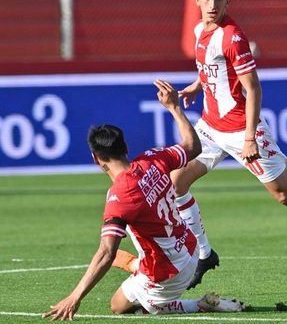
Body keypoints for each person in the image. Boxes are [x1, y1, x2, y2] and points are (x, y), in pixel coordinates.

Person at [110, 0, 287, 288]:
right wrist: (195, 87)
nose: (213, 4)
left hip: (242, 129)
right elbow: (211, 69)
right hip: (211, 128)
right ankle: (203, 254)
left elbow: (252, 89)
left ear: (228, 1)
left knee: (285, 195)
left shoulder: (233, 37)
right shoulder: (201, 30)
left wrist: (250, 137)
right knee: (174, 184)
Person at [43, 80, 245, 321]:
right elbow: (193, 146)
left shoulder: (119, 197)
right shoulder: (152, 158)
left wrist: (75, 296)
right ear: (125, 148)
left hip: (169, 273)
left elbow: (106, 253)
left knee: (118, 305)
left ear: (96, 159)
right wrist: (174, 108)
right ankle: (137, 267)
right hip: (190, 248)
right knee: (133, 250)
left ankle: (198, 304)